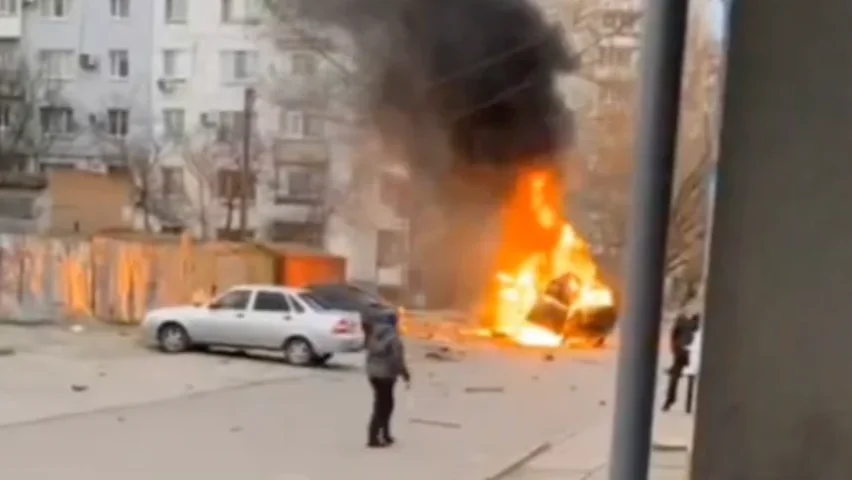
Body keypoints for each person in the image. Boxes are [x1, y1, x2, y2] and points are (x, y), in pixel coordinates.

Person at [365, 312, 411, 448]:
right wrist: (404, 373)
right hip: (386, 375)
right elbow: (397, 358)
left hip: (373, 375)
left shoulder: (373, 335)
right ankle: (375, 438)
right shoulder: (393, 338)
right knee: (386, 406)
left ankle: (383, 434)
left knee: (380, 403)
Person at [662, 312, 699, 411]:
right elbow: (674, 340)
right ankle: (672, 400)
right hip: (684, 356)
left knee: (675, 377)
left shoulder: (683, 324)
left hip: (686, 355)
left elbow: (673, 340)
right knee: (675, 377)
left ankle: (671, 400)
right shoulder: (685, 324)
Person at [684, 324, 703, 414]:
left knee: (690, 388)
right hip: (695, 365)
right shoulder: (699, 335)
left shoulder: (695, 335)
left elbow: (689, 346)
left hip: (693, 365)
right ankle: (689, 407)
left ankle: (688, 407)